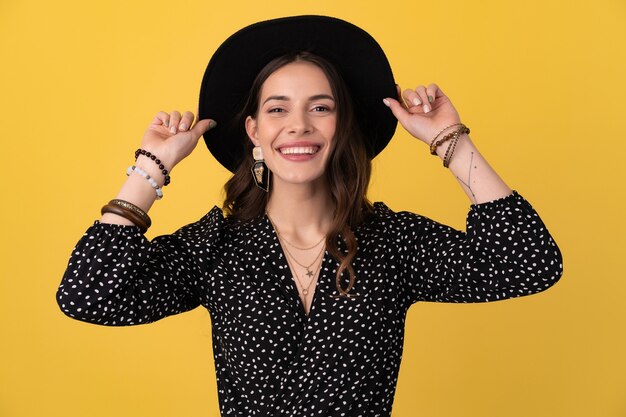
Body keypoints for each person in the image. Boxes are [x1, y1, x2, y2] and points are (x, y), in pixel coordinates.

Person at [57, 15, 563, 417]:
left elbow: (530, 263)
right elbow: (87, 296)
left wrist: (449, 140)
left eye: (320, 108)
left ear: (343, 124)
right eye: (277, 109)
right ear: (253, 130)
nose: (298, 125)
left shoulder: (392, 243)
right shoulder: (216, 247)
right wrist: (152, 166)